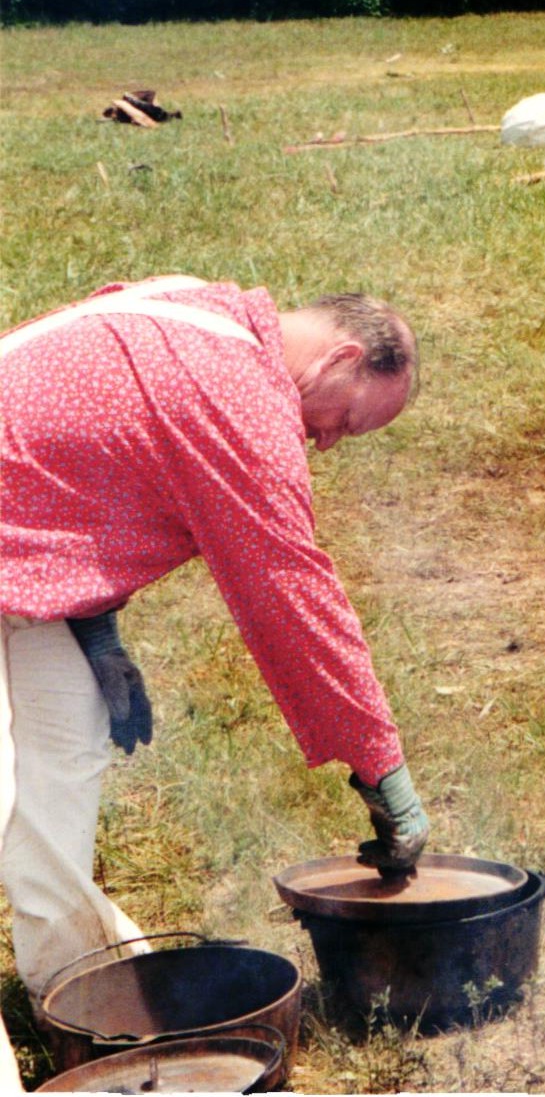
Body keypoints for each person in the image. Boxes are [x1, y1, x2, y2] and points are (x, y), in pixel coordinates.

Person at [0, 274, 430, 1067]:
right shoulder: (243, 403)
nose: (328, 443)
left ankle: (73, 983)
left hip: (14, 543)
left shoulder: (200, 306)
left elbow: (80, 465)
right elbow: (293, 599)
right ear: (341, 357)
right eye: (345, 421)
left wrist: (96, 629)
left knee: (68, 735)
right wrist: (383, 770)